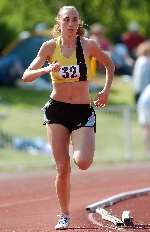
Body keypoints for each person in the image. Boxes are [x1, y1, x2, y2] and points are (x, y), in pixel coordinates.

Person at [22, 6, 115, 230]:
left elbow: (109, 64)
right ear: (59, 23)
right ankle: (64, 215)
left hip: (82, 111)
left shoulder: (88, 45)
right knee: (62, 168)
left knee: (82, 162)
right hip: (57, 111)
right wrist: (45, 70)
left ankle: (79, 140)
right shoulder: (49, 47)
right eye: (67, 19)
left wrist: (105, 91)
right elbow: (26, 76)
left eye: (75, 19)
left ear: (78, 23)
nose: (71, 23)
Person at [137, 84, 150, 158]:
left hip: (144, 105)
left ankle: (147, 150)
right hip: (146, 106)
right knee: (146, 128)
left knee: (146, 128)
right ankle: (148, 151)